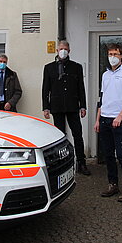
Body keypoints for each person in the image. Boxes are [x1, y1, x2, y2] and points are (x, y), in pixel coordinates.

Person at [94, 43, 122, 202]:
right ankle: (113, 184)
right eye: (110, 54)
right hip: (104, 119)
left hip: (119, 120)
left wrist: (120, 116)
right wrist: (98, 119)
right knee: (108, 155)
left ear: (121, 56)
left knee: (121, 154)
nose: (112, 57)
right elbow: (102, 98)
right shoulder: (105, 75)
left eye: (115, 54)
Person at [42, 41, 91, 176]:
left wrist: (83, 106)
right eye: (61, 49)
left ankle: (81, 162)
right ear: (57, 50)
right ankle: (60, 163)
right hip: (56, 106)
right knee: (59, 136)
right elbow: (45, 89)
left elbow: (81, 87)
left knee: (77, 135)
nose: (63, 51)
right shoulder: (49, 68)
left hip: (72, 106)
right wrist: (45, 107)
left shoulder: (76, 67)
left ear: (69, 50)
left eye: (65, 49)